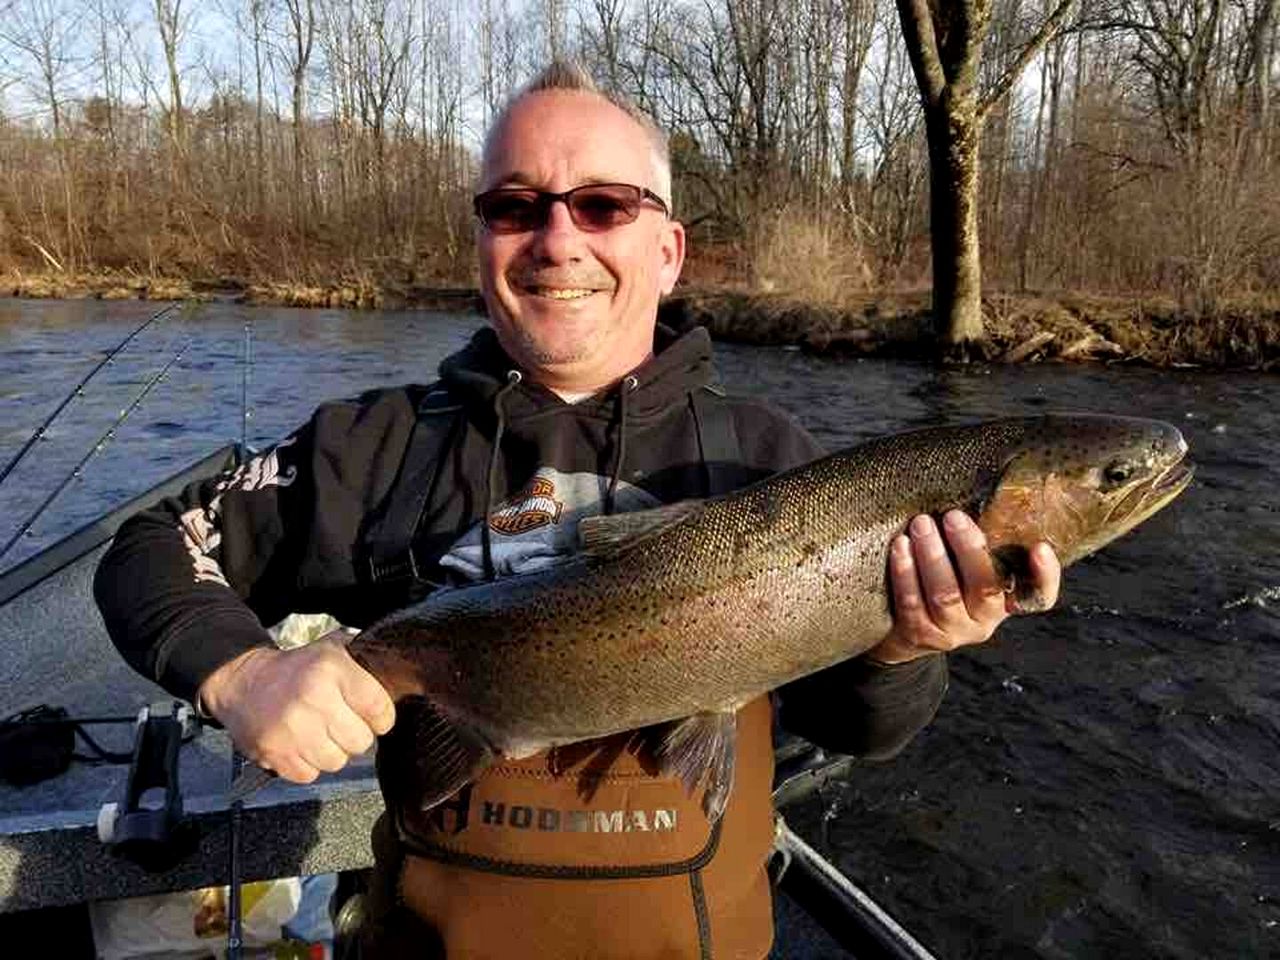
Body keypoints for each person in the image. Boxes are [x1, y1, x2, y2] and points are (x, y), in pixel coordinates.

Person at [95, 61, 1060, 959]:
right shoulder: (372, 447)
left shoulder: (771, 462)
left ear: (668, 249)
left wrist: (906, 649)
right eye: (516, 207)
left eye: (603, 205)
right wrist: (243, 673)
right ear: (482, 243)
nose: (559, 239)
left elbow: (861, 728)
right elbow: (149, 545)